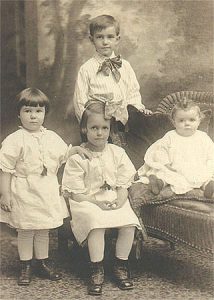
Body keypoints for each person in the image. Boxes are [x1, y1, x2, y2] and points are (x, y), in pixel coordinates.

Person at [0, 88, 91, 286]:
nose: (33, 116)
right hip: (24, 190)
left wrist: (74, 150)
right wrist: (5, 194)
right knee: (26, 229)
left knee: (43, 228)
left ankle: (40, 263)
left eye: (38, 111)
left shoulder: (51, 137)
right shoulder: (14, 140)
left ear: (44, 114)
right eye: (27, 111)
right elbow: (5, 169)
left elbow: (62, 155)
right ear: (19, 113)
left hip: (46, 189)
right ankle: (25, 265)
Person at [62, 101, 143, 296]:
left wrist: (120, 201)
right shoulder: (78, 157)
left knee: (129, 222)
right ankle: (96, 267)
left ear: (110, 129)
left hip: (113, 197)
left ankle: (120, 264)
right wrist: (96, 203)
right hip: (86, 200)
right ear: (84, 129)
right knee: (96, 223)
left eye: (104, 128)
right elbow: (75, 193)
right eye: (94, 128)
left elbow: (123, 184)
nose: (100, 133)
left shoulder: (117, 153)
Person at [72, 14, 152, 132]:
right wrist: (89, 126)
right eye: (100, 37)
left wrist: (138, 111)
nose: (105, 42)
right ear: (91, 39)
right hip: (99, 127)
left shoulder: (125, 66)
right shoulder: (86, 69)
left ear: (117, 39)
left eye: (110, 37)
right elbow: (80, 102)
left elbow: (133, 94)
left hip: (124, 125)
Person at [136, 97, 214, 197]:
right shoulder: (170, 136)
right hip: (174, 168)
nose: (187, 124)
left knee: (204, 176)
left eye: (192, 120)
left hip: (197, 167)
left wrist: (209, 166)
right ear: (174, 122)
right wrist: (166, 163)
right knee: (166, 174)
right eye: (181, 120)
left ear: (199, 120)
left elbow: (211, 153)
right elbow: (161, 150)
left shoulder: (203, 137)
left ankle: (208, 186)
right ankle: (159, 184)